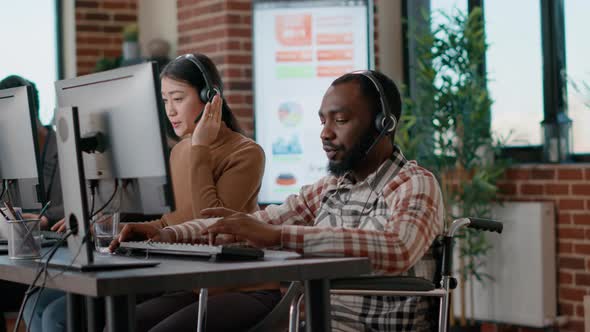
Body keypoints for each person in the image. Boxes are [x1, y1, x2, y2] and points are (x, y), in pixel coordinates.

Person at [130, 70, 445, 331]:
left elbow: (398, 248)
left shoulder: (414, 183)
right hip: (310, 320)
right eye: (323, 120)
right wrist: (166, 235)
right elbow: (253, 224)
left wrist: (281, 237)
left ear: (383, 125)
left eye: (340, 120)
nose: (325, 133)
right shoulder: (328, 188)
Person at [25, 53, 276, 332]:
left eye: (178, 99)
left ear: (210, 96)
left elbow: (211, 224)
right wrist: (133, 227)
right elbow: (175, 221)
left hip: (239, 286)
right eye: (165, 100)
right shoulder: (181, 149)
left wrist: (200, 148)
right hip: (190, 283)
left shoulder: (246, 153)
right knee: (118, 325)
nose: (170, 111)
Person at [0, 75, 65, 332]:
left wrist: (46, 219)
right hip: (19, 260)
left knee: (47, 310)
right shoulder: (7, 154)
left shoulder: (65, 148)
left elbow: (85, 205)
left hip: (58, 257)